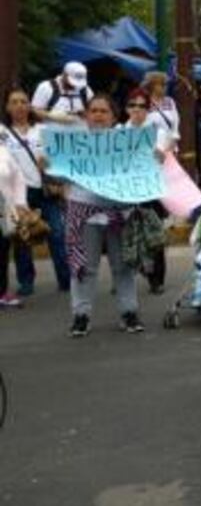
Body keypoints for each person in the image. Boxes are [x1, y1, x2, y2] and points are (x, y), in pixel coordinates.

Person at [63, 94, 165, 337]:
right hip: (85, 213)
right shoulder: (73, 143)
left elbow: (146, 169)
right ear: (87, 115)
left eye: (103, 111)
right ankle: (81, 316)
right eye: (94, 110)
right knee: (84, 268)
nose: (98, 115)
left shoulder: (128, 141)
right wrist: (47, 165)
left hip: (120, 213)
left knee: (124, 267)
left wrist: (156, 159)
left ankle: (129, 312)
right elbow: (59, 176)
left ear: (113, 116)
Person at [1, 87, 71, 295]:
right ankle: (26, 282)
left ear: (30, 106)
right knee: (22, 238)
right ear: (7, 107)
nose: (19, 106)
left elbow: (60, 154)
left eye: (24, 101)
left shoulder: (42, 130)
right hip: (17, 195)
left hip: (44, 191)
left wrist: (50, 166)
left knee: (56, 233)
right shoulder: (2, 133)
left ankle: (66, 280)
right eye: (14, 102)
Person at [122, 88, 172, 294]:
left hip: (150, 192)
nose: (136, 109)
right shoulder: (119, 132)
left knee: (154, 236)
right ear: (126, 108)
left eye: (141, 106)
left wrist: (158, 152)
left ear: (148, 109)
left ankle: (156, 279)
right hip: (125, 192)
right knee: (128, 234)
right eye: (132, 105)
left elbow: (161, 153)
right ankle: (127, 276)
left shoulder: (158, 132)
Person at [0, 143, 29, 308]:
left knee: (2, 251)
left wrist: (20, 203)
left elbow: (18, 178)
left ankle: (2, 293)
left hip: (4, 210)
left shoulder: (3, 151)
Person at [142, 71, 181, 141]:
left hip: (169, 142)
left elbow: (176, 120)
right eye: (161, 84)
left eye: (165, 84)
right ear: (152, 86)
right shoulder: (144, 102)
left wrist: (175, 134)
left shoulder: (170, 101)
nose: (165, 87)